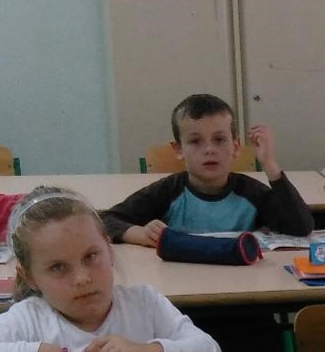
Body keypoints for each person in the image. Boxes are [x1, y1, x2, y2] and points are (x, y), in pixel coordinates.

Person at [0, 188, 221, 352]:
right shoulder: (30, 318)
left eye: (91, 257)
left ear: (109, 250)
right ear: (30, 277)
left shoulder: (144, 303)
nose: (82, 278)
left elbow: (210, 351)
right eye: (58, 267)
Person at [102, 93, 313, 246]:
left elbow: (300, 227)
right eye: (195, 141)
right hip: (181, 284)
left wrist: (269, 164)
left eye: (219, 140)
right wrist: (140, 234)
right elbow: (107, 221)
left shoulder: (251, 193)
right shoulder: (167, 192)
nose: (209, 150)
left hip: (242, 285)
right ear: (178, 150)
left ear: (235, 147)